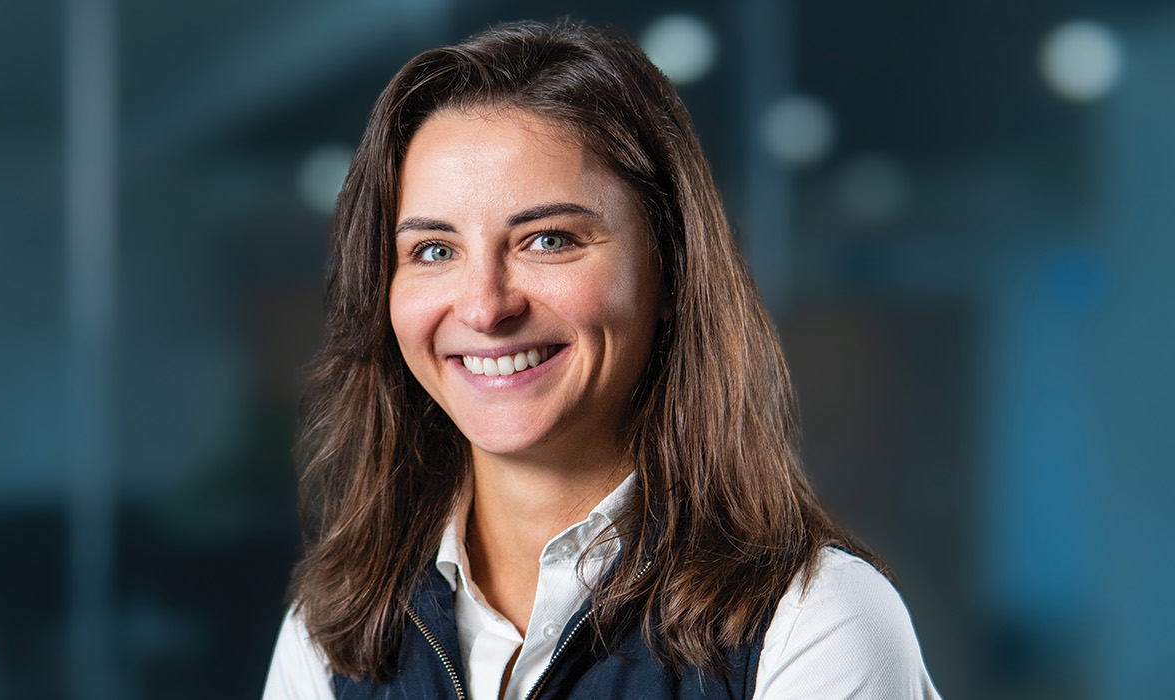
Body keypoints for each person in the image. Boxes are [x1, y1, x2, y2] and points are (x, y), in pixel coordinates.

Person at [262, 20, 941, 700]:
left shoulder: (816, 627)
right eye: (435, 251)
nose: (484, 307)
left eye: (549, 239)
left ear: (670, 271)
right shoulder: (333, 633)